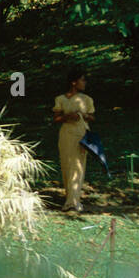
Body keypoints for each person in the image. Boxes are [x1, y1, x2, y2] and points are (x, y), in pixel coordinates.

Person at [53, 69, 95, 212]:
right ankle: (68, 199)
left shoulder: (87, 99)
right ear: (73, 82)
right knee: (67, 165)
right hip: (66, 134)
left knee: (78, 165)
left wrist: (82, 115)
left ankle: (74, 201)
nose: (85, 83)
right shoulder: (60, 99)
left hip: (81, 133)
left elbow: (92, 117)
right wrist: (67, 116)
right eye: (82, 80)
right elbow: (56, 118)